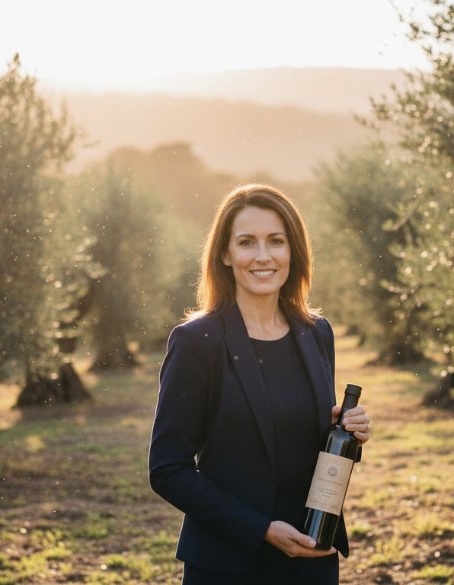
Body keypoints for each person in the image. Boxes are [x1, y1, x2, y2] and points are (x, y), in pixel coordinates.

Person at [149, 184, 372, 584]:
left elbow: (308, 446)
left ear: (293, 251)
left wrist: (349, 436)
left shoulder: (316, 333)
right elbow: (168, 469)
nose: (263, 256)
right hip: (228, 564)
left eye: (276, 241)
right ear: (225, 253)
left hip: (311, 557)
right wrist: (260, 529)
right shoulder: (197, 342)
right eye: (247, 242)